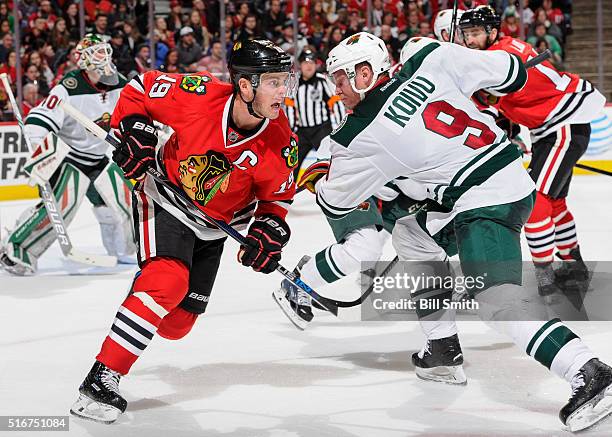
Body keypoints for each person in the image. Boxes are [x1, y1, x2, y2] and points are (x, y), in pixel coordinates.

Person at [312, 31, 612, 432]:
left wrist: (318, 176)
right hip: (501, 179)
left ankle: (590, 371)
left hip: (485, 200)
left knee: (497, 301)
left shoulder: (358, 135)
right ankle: (441, 347)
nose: (337, 90)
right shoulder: (432, 58)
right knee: (411, 235)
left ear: (365, 73)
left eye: (341, 79)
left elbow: (336, 202)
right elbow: (510, 72)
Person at [69, 39, 299, 424]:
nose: (283, 92)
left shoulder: (280, 139)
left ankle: (147, 292)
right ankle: (99, 380)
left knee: (177, 325)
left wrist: (269, 229)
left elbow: (277, 198)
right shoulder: (200, 94)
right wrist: (136, 132)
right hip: (163, 196)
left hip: (213, 226)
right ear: (245, 85)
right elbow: (140, 89)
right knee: (168, 281)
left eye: (283, 81)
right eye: (274, 82)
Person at [459, 6, 605, 296]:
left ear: (492, 32)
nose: (470, 40)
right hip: (556, 125)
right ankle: (574, 268)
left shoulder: (498, 57)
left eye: (475, 33)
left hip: (561, 124)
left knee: (536, 199)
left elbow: (485, 88)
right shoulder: (501, 50)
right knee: (554, 203)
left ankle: (545, 276)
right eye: (466, 35)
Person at [0, 34, 135, 276]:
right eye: (97, 53)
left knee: (124, 200)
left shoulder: (120, 84)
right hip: (71, 160)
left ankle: (122, 250)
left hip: (101, 157)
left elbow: (131, 114)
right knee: (61, 209)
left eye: (105, 51)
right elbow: (40, 118)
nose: (104, 58)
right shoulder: (67, 88)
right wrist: (36, 141)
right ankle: (15, 251)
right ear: (83, 59)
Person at [284, 48, 345, 180]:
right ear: (300, 64)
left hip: (321, 129)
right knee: (292, 163)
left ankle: (336, 186)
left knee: (330, 162)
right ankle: (288, 191)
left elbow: (336, 103)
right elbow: (289, 107)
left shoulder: (322, 80)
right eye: (306, 62)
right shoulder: (294, 82)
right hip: (302, 131)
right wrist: (290, 129)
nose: (309, 65)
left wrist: (341, 127)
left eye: (312, 62)